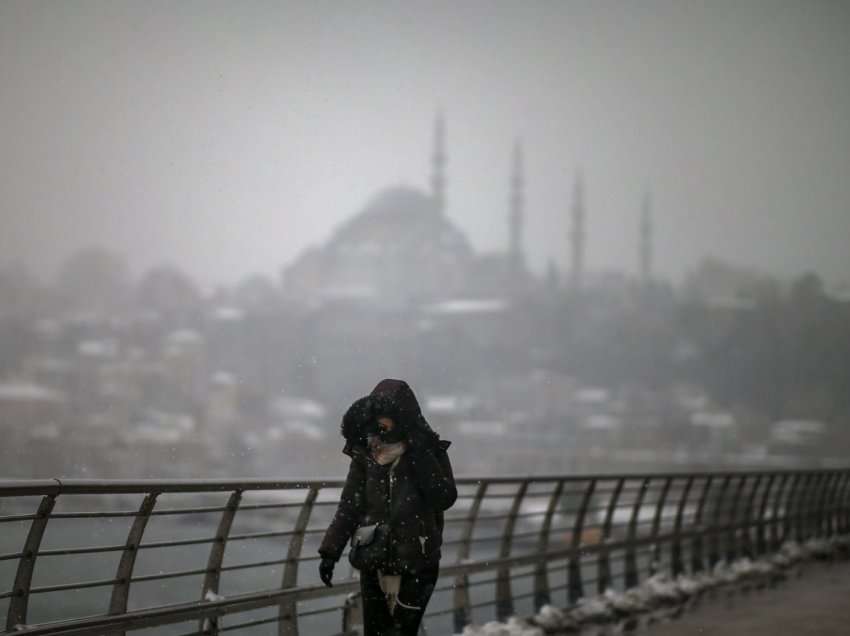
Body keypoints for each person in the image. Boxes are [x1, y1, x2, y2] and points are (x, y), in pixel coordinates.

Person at [318, 378, 457, 636]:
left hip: (418, 562)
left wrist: (419, 454)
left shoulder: (430, 451)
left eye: (384, 417)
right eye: (375, 418)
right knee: (376, 632)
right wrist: (330, 552)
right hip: (373, 560)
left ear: (401, 417)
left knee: (403, 632)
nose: (378, 426)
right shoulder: (366, 455)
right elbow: (350, 506)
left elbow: (444, 498)